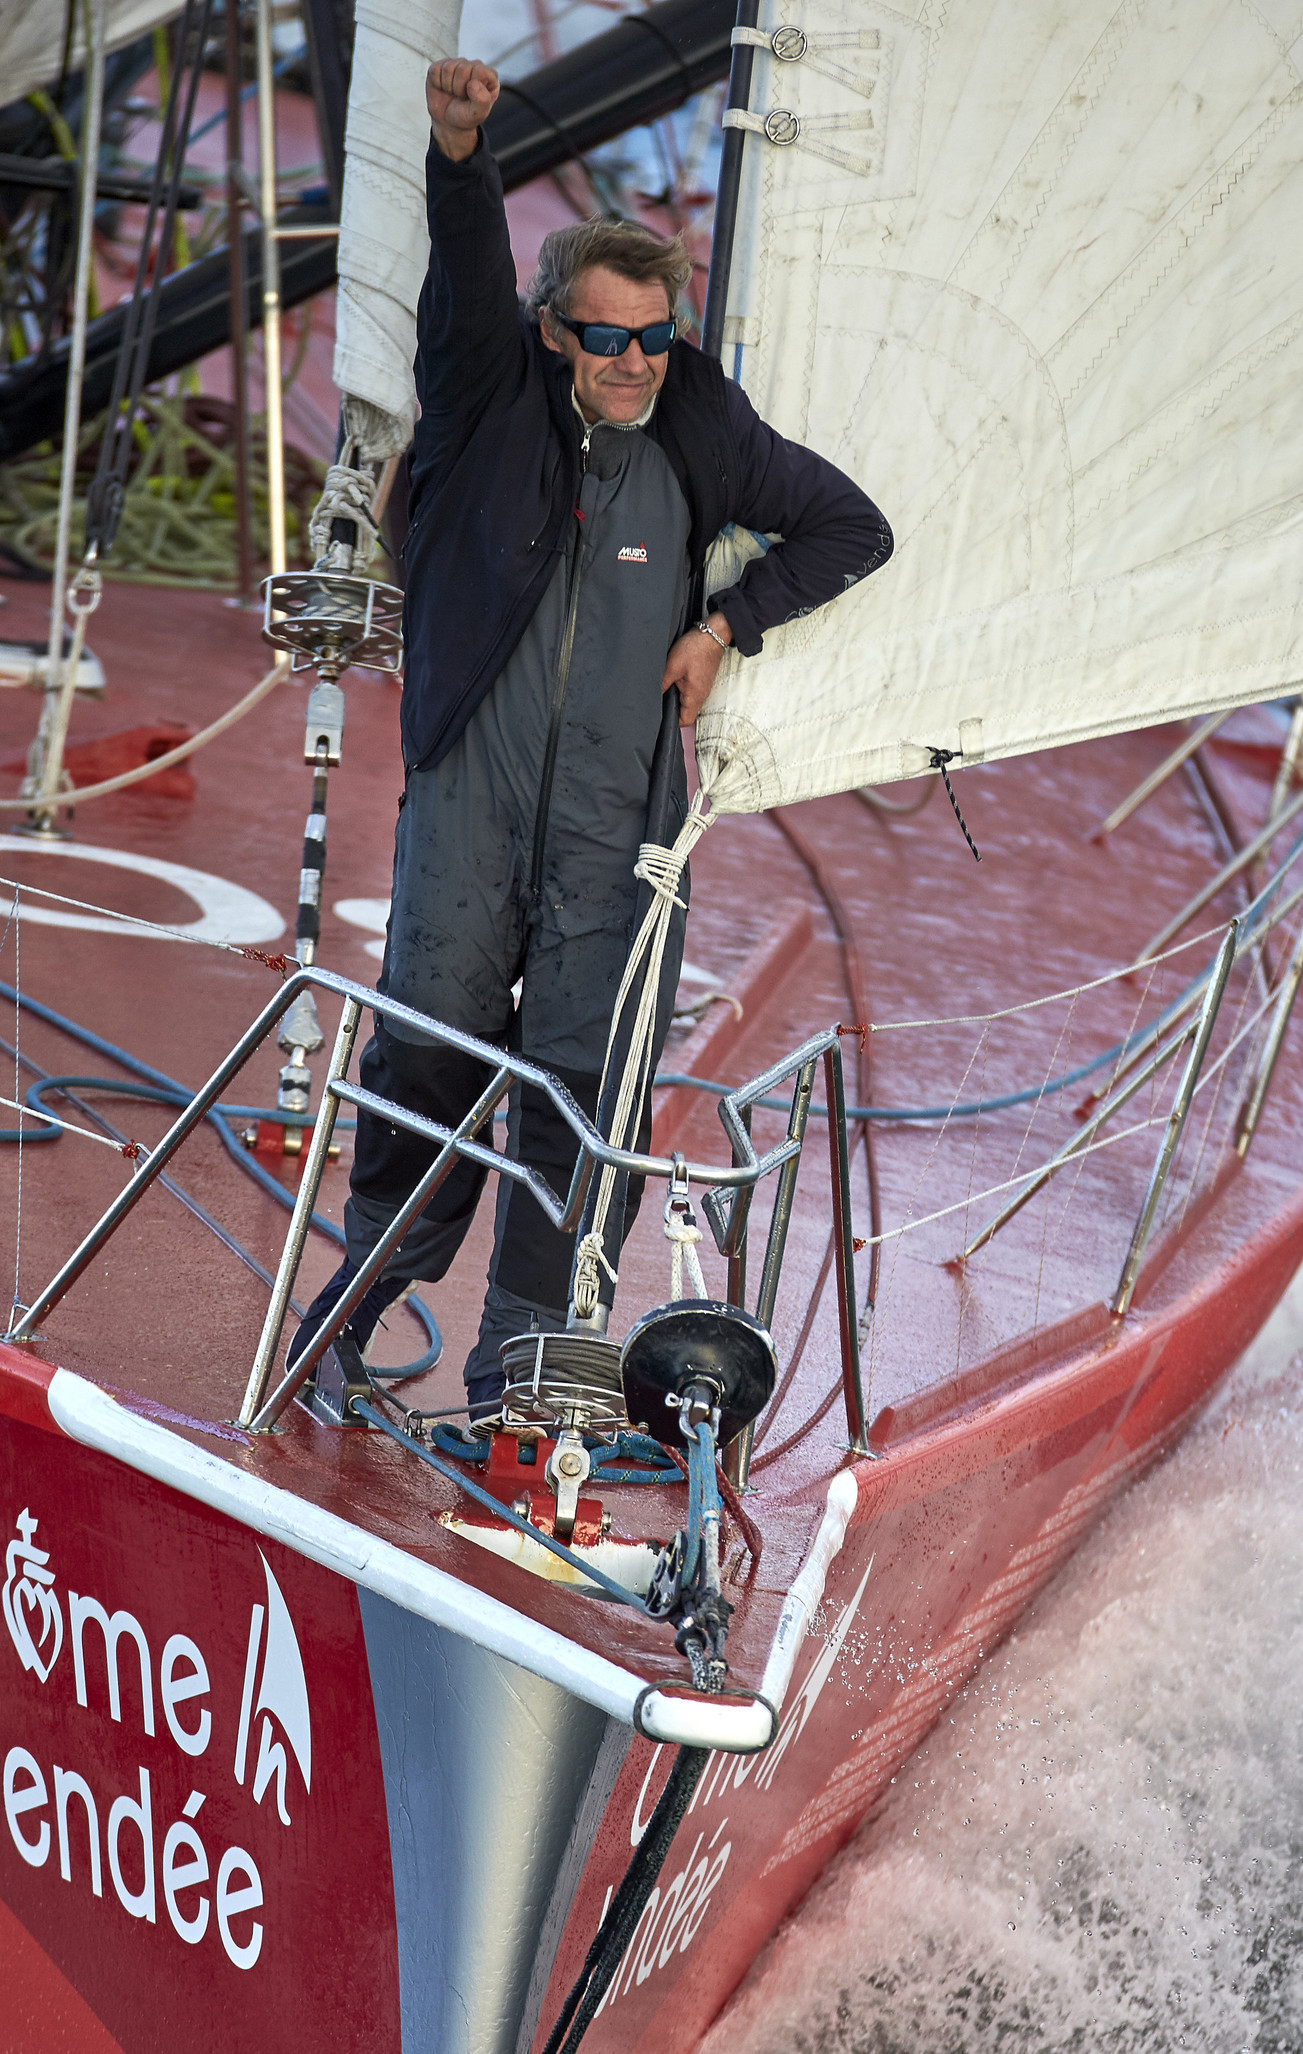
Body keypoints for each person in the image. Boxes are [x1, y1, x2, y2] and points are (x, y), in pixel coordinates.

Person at [291, 56, 893, 1418]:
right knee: (430, 1045)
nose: (630, 363)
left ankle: (524, 1362)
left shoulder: (696, 433)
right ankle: (358, 1301)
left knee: (584, 1082)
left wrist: (727, 623)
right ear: (553, 331)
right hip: (470, 801)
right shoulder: (482, 398)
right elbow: (456, 277)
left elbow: (852, 528)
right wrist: (460, 155)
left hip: (617, 828)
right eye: (603, 337)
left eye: (652, 337)